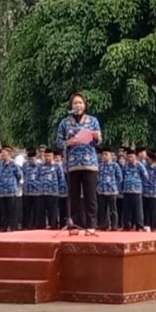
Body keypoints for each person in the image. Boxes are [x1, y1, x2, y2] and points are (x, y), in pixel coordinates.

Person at [56, 93, 102, 235]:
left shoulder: (93, 121)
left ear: (85, 105)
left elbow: (99, 142)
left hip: (89, 164)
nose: (78, 105)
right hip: (72, 164)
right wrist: (70, 142)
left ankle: (91, 225)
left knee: (90, 196)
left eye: (80, 103)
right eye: (75, 103)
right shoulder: (65, 123)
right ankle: (75, 225)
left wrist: (96, 136)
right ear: (71, 106)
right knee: (74, 196)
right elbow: (58, 142)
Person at [0, 146, 22, 231]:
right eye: (2, 154)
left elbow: (19, 176)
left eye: (4, 154)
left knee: (12, 211)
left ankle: (13, 227)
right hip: (1, 192)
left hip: (10, 191)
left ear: (9, 154)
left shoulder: (14, 164)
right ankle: (4, 227)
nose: (2, 156)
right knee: (3, 211)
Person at [120, 148, 148, 231]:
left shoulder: (139, 165)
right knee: (126, 209)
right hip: (127, 190)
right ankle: (126, 226)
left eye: (131, 157)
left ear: (135, 157)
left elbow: (146, 177)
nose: (130, 159)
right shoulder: (125, 166)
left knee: (138, 209)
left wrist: (139, 184)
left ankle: (139, 226)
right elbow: (122, 177)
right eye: (128, 157)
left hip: (137, 190)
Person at [97, 148, 122, 231]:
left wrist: (116, 188)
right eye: (103, 154)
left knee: (113, 210)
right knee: (102, 210)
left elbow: (119, 178)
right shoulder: (100, 165)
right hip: (102, 190)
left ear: (110, 155)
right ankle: (103, 225)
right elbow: (97, 177)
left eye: (106, 154)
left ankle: (114, 226)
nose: (104, 156)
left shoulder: (115, 165)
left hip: (112, 190)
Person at [52, 149, 69, 229]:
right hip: (57, 192)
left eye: (57, 157)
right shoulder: (53, 167)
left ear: (61, 158)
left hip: (67, 191)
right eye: (54, 157)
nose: (56, 159)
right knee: (59, 210)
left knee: (67, 210)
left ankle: (67, 224)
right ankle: (60, 224)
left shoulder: (65, 166)